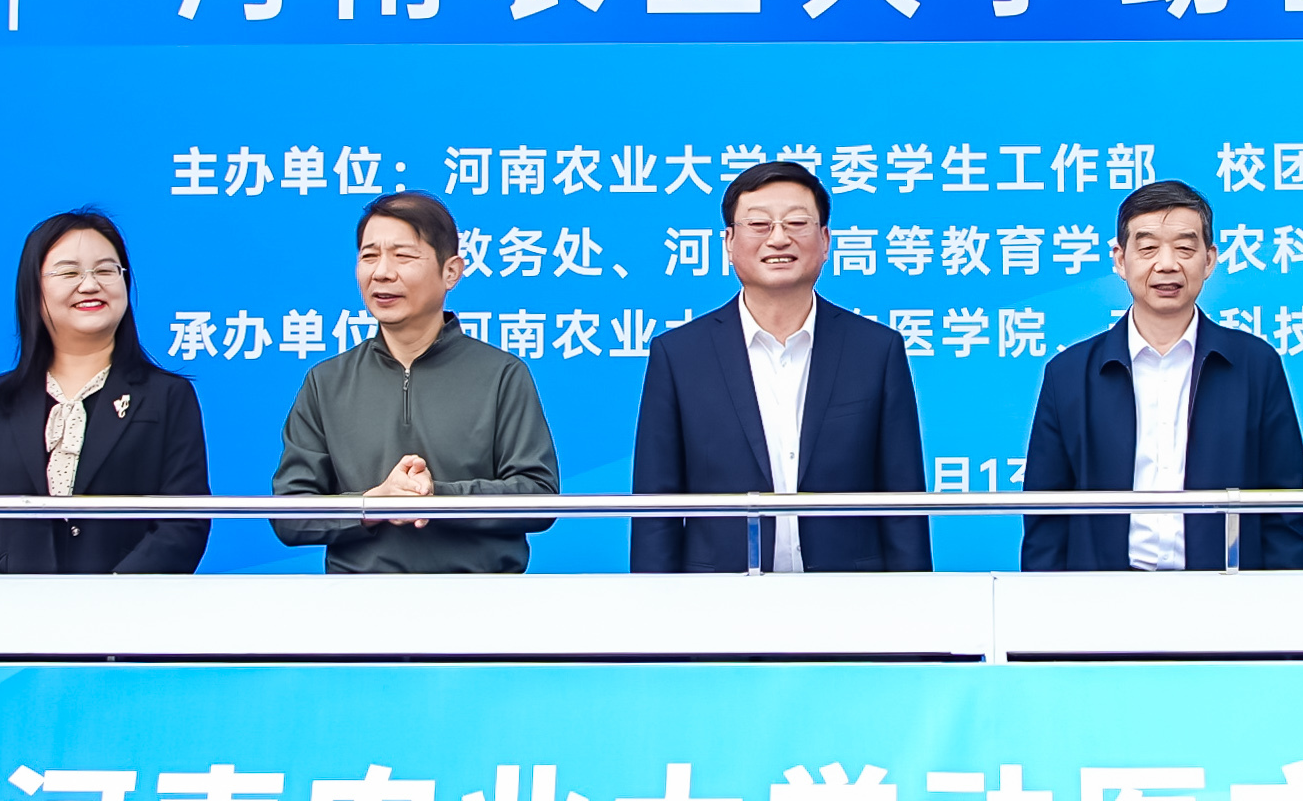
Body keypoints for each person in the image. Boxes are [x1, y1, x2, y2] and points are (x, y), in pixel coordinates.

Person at [630, 160, 930, 573]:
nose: (778, 238)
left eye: (797, 223)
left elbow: (904, 506)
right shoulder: (679, 355)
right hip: (717, 598)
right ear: (729, 242)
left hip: (852, 597)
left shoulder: (876, 350)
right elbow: (655, 512)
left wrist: (914, 604)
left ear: (825, 240)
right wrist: (654, 605)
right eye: (758, 224)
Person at [1018, 176, 1303, 572]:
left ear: (1209, 260)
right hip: (1102, 596)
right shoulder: (1069, 374)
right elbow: (1045, 520)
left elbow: (1283, 511)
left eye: (1185, 248)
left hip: (1227, 594)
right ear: (1120, 260)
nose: (1167, 264)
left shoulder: (1255, 365)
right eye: (1148, 248)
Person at [269, 191, 557, 572]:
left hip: (480, 599)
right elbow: (289, 513)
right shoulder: (326, 382)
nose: (382, 272)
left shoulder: (502, 374)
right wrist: (371, 505)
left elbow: (539, 497)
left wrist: (438, 497)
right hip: (357, 600)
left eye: (402, 256)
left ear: (451, 271)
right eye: (369, 256)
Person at [0, 209, 209, 575]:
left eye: (106, 271)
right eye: (69, 272)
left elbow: (184, 522)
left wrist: (112, 594)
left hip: (125, 606)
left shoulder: (167, 397)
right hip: (7, 607)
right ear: (34, 288)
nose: (90, 285)